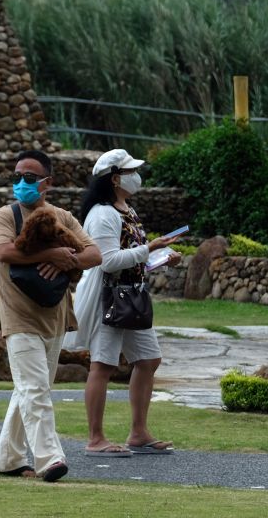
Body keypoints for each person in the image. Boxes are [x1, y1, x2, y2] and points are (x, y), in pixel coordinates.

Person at [0, 150, 101, 482]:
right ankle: (50, 458)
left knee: (30, 389)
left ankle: (8, 459)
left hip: (55, 316)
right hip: (19, 317)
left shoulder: (62, 216)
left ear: (47, 183)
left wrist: (68, 260)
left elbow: (94, 254)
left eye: (30, 177)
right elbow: (4, 251)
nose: (21, 182)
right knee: (35, 389)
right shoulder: (4, 216)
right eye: (17, 176)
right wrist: (51, 253)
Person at [73, 149, 182, 456]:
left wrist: (160, 259)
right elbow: (108, 261)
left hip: (131, 294)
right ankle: (96, 438)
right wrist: (151, 248)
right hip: (110, 296)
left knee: (148, 360)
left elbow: (132, 259)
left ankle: (139, 432)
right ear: (116, 178)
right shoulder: (103, 214)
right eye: (131, 171)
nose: (137, 177)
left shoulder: (125, 209)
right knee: (103, 364)